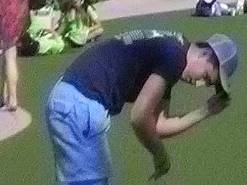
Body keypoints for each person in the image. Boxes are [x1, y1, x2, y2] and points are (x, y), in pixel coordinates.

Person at [44, 29, 236, 184]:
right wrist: (159, 153)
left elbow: (158, 125)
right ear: (206, 54)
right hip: (81, 103)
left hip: (73, 99)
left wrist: (204, 111)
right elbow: (139, 117)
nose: (199, 84)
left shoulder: (173, 49)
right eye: (206, 77)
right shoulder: (174, 56)